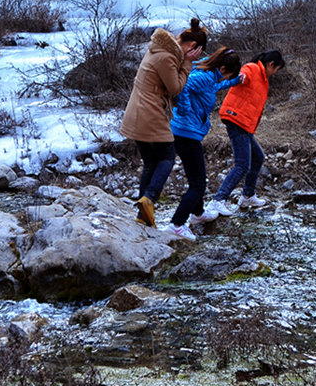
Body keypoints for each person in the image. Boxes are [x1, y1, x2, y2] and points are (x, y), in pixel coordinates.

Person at [120, 17, 207, 228]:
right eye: (198, 53)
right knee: (167, 157)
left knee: (151, 162)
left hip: (137, 111)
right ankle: (149, 199)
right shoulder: (168, 57)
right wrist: (187, 64)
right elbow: (175, 87)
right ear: (193, 47)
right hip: (150, 113)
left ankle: (143, 214)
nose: (196, 57)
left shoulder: (158, 50)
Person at [165, 46, 243, 240]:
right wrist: (185, 110)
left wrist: (235, 81)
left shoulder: (209, 74)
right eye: (229, 75)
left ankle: (198, 214)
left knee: (197, 177)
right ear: (223, 68)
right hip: (186, 132)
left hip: (185, 131)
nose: (225, 79)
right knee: (198, 184)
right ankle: (176, 224)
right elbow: (184, 87)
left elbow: (215, 86)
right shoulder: (204, 77)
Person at [203, 49, 286, 218]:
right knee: (242, 164)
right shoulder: (252, 68)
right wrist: (239, 78)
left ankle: (247, 196)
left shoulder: (262, 78)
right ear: (271, 64)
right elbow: (243, 75)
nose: (274, 73)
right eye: (276, 69)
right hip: (236, 119)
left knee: (258, 157)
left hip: (244, 123)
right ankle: (218, 200)